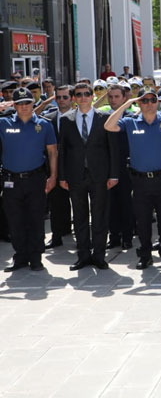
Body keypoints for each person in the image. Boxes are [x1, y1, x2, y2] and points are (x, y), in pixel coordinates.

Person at [104, 87, 161, 269]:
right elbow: (108, 126)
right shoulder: (131, 122)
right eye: (144, 101)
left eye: (152, 100)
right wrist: (126, 104)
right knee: (142, 222)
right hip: (140, 181)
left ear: (157, 102)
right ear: (139, 103)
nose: (149, 104)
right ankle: (145, 255)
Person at [58, 82, 119, 271]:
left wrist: (114, 174)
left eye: (86, 93)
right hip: (75, 176)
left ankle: (99, 256)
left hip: (100, 175)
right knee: (79, 217)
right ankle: (83, 255)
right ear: (74, 98)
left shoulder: (105, 118)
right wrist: (61, 176)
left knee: (99, 216)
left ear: (92, 96)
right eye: (79, 94)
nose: (83, 97)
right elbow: (62, 151)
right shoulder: (66, 120)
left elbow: (113, 150)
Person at [0, 88, 58, 272]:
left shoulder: (44, 125)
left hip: (35, 179)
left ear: (33, 103)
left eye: (27, 102)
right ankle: (20, 257)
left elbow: (52, 152)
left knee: (35, 219)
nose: (24, 107)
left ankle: (36, 257)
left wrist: (53, 176)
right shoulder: (4, 123)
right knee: (15, 220)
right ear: (14, 105)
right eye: (20, 103)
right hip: (11, 180)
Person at [103, 84, 135, 251]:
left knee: (126, 203)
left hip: (126, 166)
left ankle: (127, 237)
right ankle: (114, 236)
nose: (113, 100)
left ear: (124, 99)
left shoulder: (132, 117)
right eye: (111, 97)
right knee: (110, 204)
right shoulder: (103, 117)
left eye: (117, 97)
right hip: (108, 167)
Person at [42, 85, 73, 249]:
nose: (61, 100)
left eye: (65, 97)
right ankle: (57, 235)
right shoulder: (48, 119)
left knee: (79, 204)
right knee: (55, 203)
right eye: (58, 97)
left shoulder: (80, 118)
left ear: (72, 98)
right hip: (54, 167)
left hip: (75, 168)